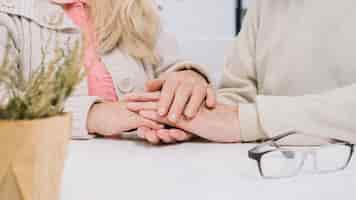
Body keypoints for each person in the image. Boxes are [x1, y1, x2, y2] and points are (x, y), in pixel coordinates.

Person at [126, 0, 356, 144]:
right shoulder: (266, 5)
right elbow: (237, 94)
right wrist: (191, 117)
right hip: (273, 169)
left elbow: (239, 118)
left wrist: (244, 121)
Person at [0, 0, 215, 144]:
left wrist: (187, 77)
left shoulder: (132, 6)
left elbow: (169, 64)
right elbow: (5, 103)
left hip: (146, 167)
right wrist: (92, 115)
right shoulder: (7, 12)